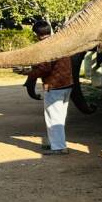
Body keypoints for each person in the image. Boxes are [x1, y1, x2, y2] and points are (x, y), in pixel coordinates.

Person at [25, 21, 73, 155]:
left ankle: (58, 147)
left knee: (53, 117)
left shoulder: (45, 47)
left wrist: (27, 72)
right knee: (60, 116)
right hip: (67, 85)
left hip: (54, 86)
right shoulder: (61, 43)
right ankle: (56, 143)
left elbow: (44, 69)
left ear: (37, 34)